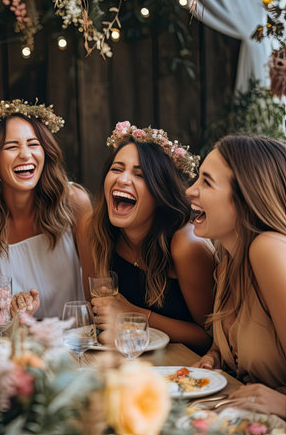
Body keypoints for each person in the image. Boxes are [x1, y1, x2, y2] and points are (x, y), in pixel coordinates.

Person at [0, 99, 90, 327]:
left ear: (46, 151)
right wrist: (9, 309)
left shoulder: (75, 203)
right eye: (12, 146)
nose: (25, 154)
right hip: (4, 342)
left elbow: (96, 288)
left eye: (33, 144)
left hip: (72, 341)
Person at [77, 121, 215, 354]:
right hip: (126, 364)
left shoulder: (185, 245)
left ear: (161, 192)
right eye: (117, 169)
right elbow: (100, 315)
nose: (122, 179)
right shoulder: (92, 229)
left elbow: (210, 338)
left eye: (139, 175)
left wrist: (134, 314)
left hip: (185, 371)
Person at [188, 134, 286, 418]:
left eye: (206, 182)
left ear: (246, 197)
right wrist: (214, 356)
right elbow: (239, 337)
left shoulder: (267, 250)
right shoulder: (228, 261)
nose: (189, 191)